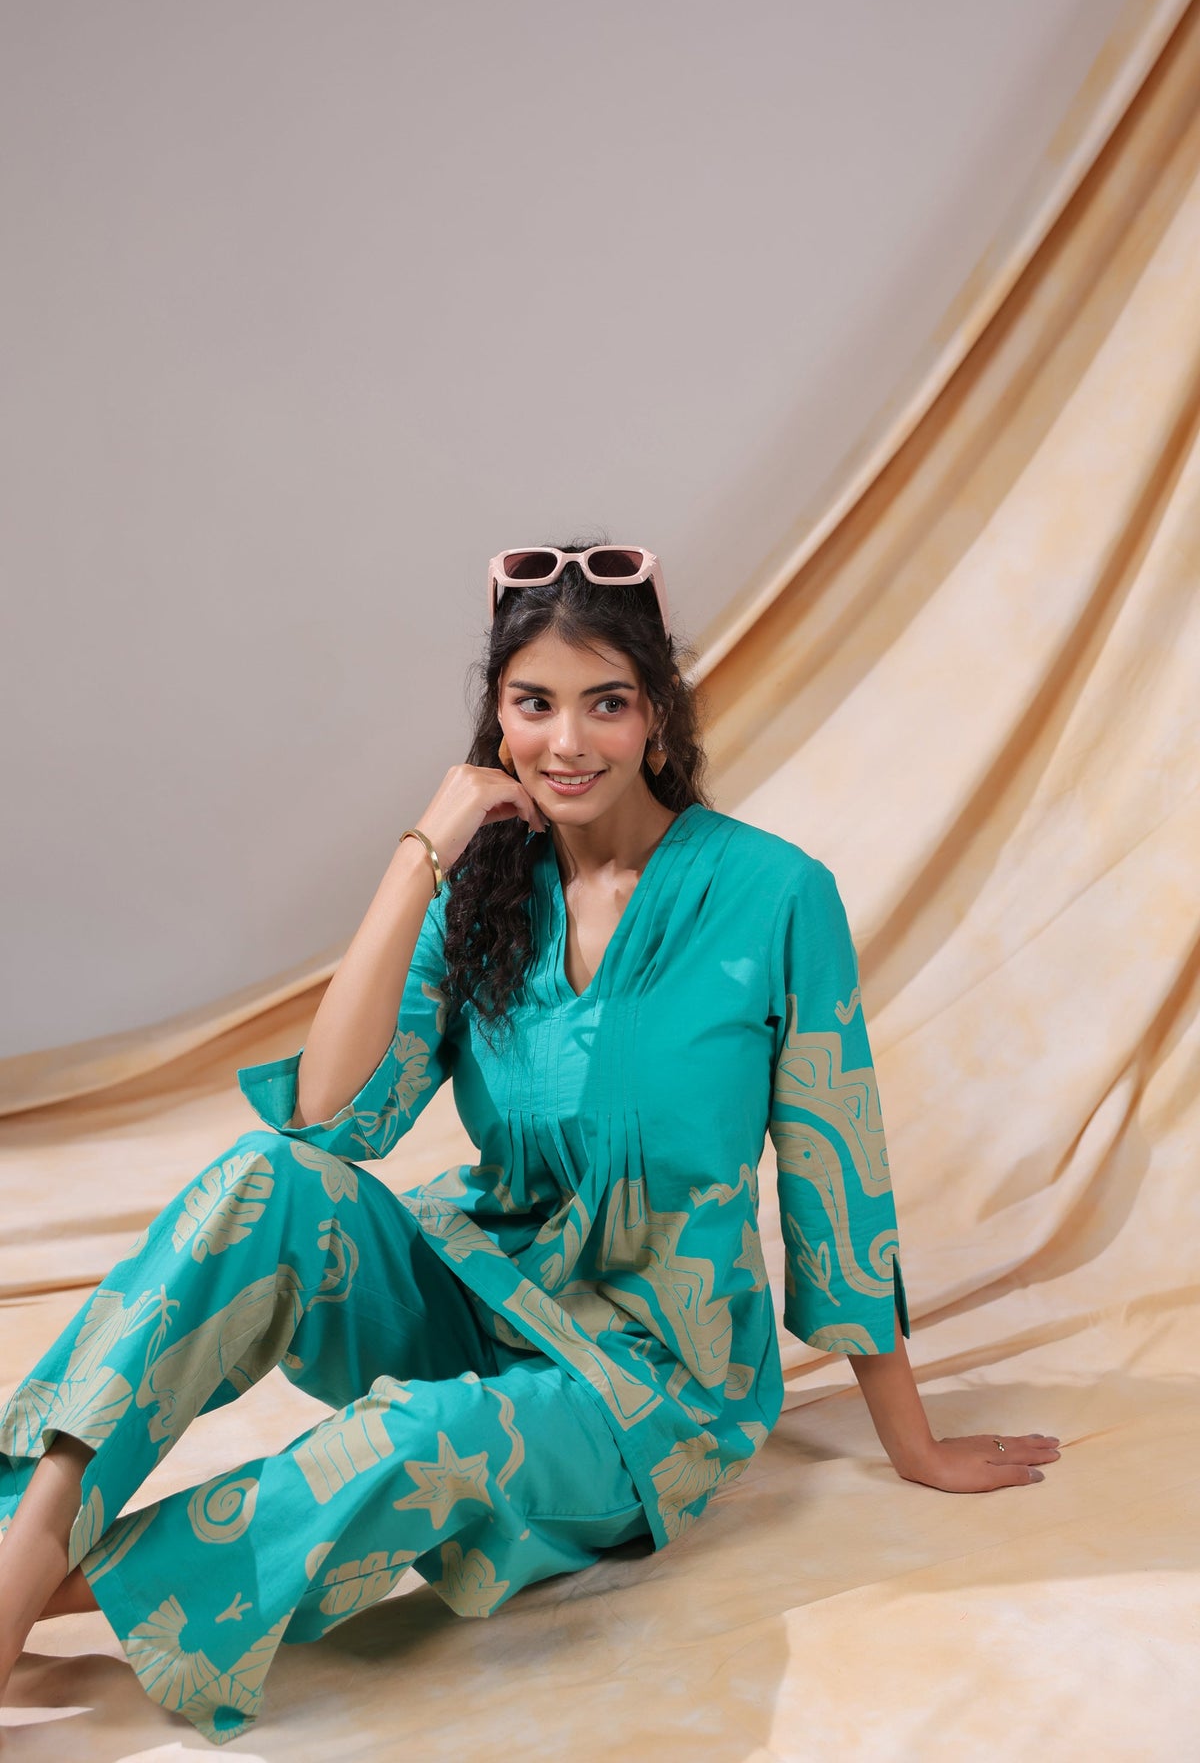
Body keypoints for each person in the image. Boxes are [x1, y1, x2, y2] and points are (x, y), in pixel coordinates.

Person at [0, 542, 1061, 1746]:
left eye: (606, 702)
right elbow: (331, 1117)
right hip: (481, 1304)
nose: (568, 743)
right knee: (258, 1181)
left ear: (656, 713)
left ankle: (43, 1594)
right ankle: (21, 1549)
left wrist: (912, 1445)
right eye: (534, 703)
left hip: (652, 1394)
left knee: (415, 1440)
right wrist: (424, 850)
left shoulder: (773, 897)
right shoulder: (486, 893)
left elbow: (836, 1174)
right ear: (496, 719)